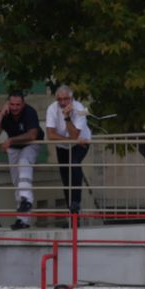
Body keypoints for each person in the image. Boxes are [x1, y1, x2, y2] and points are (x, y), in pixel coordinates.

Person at [0, 91, 44, 230]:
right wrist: (0, 116)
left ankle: (27, 200)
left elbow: (32, 135)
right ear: (8, 103)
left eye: (18, 105)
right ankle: (22, 220)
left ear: (23, 104)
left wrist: (10, 140)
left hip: (32, 143)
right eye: (12, 104)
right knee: (17, 181)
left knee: (24, 163)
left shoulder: (30, 112)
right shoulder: (4, 112)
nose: (14, 108)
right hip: (13, 146)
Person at [44, 85, 91, 215]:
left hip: (82, 142)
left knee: (75, 163)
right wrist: (69, 139)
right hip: (63, 146)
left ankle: (76, 202)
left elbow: (76, 136)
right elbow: (51, 135)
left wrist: (67, 117)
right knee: (65, 179)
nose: (63, 102)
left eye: (66, 99)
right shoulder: (52, 108)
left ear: (72, 98)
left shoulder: (80, 108)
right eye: (60, 99)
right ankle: (72, 213)